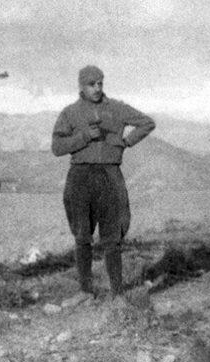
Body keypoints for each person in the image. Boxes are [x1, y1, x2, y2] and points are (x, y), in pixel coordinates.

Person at [51, 65, 155, 302]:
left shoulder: (116, 108)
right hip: (80, 177)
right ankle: (86, 292)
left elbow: (147, 123)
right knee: (82, 236)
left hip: (110, 175)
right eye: (92, 84)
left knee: (112, 238)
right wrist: (85, 136)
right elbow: (57, 147)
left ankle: (117, 293)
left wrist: (127, 141)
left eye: (100, 83)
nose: (97, 88)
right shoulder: (70, 113)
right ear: (81, 86)